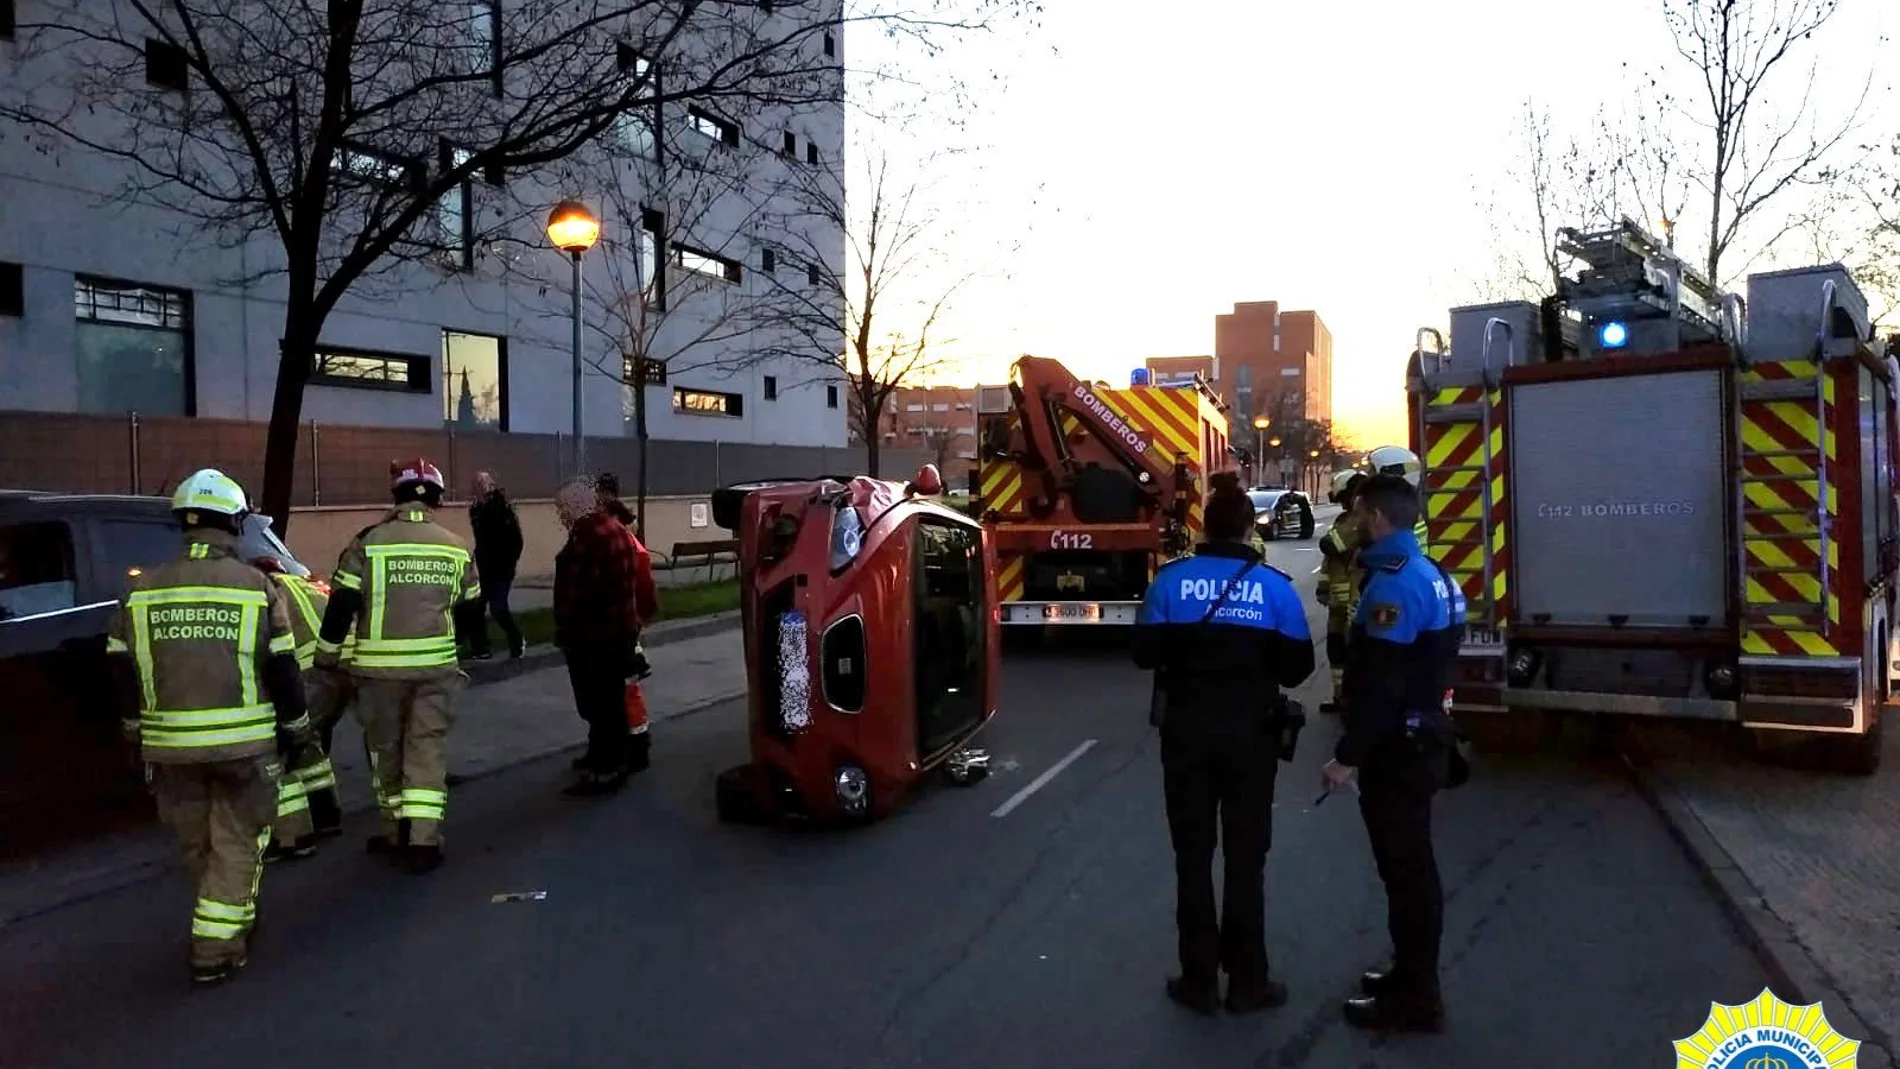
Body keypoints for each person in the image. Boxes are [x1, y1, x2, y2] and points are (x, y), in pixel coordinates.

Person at [105, 468, 317, 985]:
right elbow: (284, 671)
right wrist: (298, 732)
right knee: (238, 841)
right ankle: (215, 947)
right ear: (236, 523)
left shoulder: (141, 591)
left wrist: (134, 734)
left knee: (199, 842)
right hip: (244, 747)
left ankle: (230, 917)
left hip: (170, 749)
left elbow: (121, 674)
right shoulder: (257, 586)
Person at [1132, 472, 1316, 1017]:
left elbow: (1144, 655)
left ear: (1204, 528)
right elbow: (1299, 667)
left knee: (1192, 858)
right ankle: (1248, 982)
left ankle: (1198, 981)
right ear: (1247, 530)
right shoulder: (1276, 587)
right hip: (1251, 742)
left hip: (1185, 739)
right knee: (1244, 860)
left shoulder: (1170, 583)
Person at [1319, 473, 1465, 1033]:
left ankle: (1417, 999)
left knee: (1406, 874)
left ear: (1376, 519)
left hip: (1398, 751)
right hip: (1422, 739)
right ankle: (1408, 975)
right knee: (1410, 871)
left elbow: (1382, 684)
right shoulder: (1432, 575)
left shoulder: (1393, 587)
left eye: (1357, 514)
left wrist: (1347, 756)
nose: (1352, 523)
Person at [316, 458, 480, 873]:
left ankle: (394, 830)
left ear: (397, 495)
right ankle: (424, 840)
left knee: (386, 752)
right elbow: (472, 611)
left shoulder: (368, 543)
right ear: (438, 498)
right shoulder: (456, 546)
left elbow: (341, 606)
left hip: (378, 674)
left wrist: (327, 656)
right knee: (426, 751)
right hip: (436, 672)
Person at [249, 554, 352, 856]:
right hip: (343, 673)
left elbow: (270, 647)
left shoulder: (267, 592)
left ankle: (293, 838)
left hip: (310, 676)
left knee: (280, 749)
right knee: (309, 744)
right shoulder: (306, 584)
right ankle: (326, 817)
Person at [553, 478, 649, 795]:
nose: (560, 514)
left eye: (562, 508)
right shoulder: (614, 529)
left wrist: (568, 630)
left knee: (600, 703)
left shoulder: (588, 536)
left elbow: (581, 592)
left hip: (593, 636)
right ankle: (603, 758)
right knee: (609, 701)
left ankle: (606, 768)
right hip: (617, 630)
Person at [1317, 470, 1370, 714]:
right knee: (1336, 650)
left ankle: (1356, 702)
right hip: (1338, 601)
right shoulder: (1346, 519)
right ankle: (1341, 698)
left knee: (1354, 651)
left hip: (1354, 598)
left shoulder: (1359, 521)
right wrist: (1323, 587)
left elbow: (1331, 544)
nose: (1343, 505)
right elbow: (1329, 562)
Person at [465, 471, 525, 660]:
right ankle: (480, 648)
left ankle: (517, 640)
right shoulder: (476, 509)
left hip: (502, 568)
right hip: (484, 567)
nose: (480, 487)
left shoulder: (502, 507)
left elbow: (516, 539)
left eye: (483, 482)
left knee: (498, 608)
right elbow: (481, 538)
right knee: (475, 607)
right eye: (477, 484)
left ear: (491, 484)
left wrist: (510, 562)